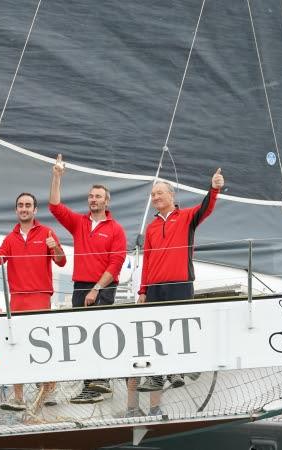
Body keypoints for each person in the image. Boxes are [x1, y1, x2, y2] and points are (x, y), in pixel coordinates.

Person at [128, 169, 224, 417]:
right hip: (155, 289)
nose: (155, 197)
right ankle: (158, 376)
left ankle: (180, 369)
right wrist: (143, 290)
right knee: (155, 333)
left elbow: (207, 209)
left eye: (159, 193)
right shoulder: (150, 228)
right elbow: (147, 260)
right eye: (153, 194)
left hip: (180, 283)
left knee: (179, 329)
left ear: (171, 195)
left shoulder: (186, 216)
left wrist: (213, 188)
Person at [49, 154, 127, 404]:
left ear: (107, 201)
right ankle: (90, 387)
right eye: (91, 196)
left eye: (98, 197)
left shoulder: (116, 229)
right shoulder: (79, 223)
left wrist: (96, 289)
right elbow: (54, 206)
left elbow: (116, 264)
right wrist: (57, 176)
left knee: (99, 334)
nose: (93, 200)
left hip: (102, 287)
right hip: (80, 286)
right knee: (82, 336)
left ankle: (102, 381)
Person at [0, 192, 66, 411]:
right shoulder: (10, 238)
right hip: (18, 299)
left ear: (35, 210)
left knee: (43, 345)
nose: (24, 208)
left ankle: (50, 390)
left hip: (40, 296)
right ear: (16, 210)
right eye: (20, 205)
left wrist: (54, 246)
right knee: (16, 347)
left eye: (28, 205)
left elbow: (61, 260)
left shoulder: (48, 232)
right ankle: (18, 397)